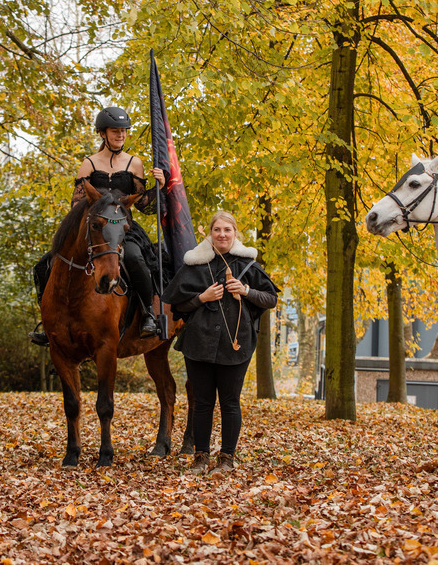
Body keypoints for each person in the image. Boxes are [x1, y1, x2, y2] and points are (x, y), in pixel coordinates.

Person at [30, 106, 166, 345]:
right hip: (95, 230)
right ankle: (49, 323)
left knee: (135, 259)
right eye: (115, 131)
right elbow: (76, 204)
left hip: (124, 229)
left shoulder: (135, 164)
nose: (121, 135)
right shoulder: (89, 163)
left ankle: (148, 315)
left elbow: (144, 204)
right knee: (46, 263)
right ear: (103, 133)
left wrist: (160, 186)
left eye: (124, 131)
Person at [161, 211, 278, 475]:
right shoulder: (194, 265)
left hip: (236, 344)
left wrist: (246, 291)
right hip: (198, 343)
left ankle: (226, 460)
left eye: (227, 230)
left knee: (230, 401)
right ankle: (200, 458)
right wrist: (202, 297)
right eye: (217, 230)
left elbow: (271, 299)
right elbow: (177, 304)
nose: (222, 234)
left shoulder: (248, 264)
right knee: (202, 402)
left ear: (235, 233)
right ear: (210, 234)